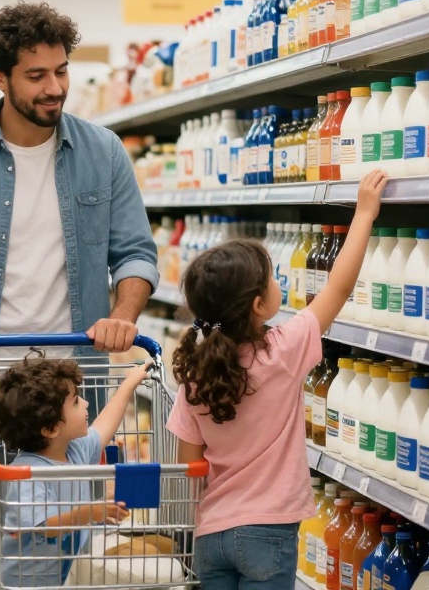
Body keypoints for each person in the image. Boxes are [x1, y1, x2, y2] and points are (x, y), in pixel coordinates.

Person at [0, 1, 159, 438]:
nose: (54, 87)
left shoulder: (105, 152)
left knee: (76, 509)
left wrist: (124, 313)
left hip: (74, 391)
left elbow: (134, 253)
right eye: (36, 76)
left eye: (61, 71)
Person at [166, 171, 388, 590]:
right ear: (258, 305)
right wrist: (364, 213)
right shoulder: (283, 351)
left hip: (211, 532)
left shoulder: (195, 375)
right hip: (269, 530)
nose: (278, 282)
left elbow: (191, 467)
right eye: (271, 277)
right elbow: (338, 287)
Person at [0, 357, 149, 587]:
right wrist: (92, 512)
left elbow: (105, 424)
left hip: (64, 578)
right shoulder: (27, 475)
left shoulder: (74, 450)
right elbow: (48, 526)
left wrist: (128, 385)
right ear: (51, 429)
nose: (86, 404)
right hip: (26, 583)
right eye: (75, 402)